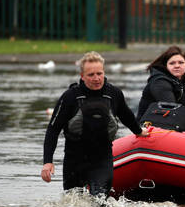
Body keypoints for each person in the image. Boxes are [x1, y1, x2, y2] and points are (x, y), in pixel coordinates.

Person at [41, 51, 148, 196]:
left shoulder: (114, 94)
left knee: (99, 201)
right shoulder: (70, 97)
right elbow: (53, 130)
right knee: (74, 206)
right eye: (91, 75)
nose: (97, 78)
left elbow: (126, 116)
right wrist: (47, 162)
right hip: (74, 160)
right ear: (82, 76)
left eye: (100, 73)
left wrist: (139, 132)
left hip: (102, 159)